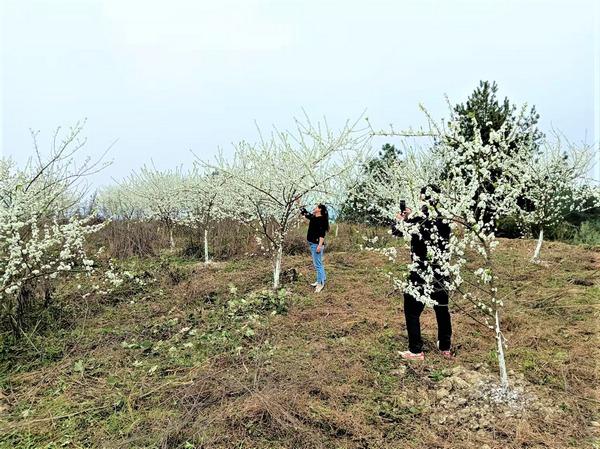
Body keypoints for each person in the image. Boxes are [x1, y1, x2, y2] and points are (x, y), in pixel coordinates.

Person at [393, 185, 452, 360]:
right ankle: (445, 347)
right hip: (442, 270)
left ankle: (416, 350)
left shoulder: (418, 219)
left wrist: (400, 219)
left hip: (421, 271)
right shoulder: (445, 218)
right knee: (442, 308)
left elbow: (396, 231)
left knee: (411, 310)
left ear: (424, 199)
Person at [297, 201, 330, 293]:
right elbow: (304, 212)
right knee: (319, 264)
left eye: (316, 207)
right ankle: (321, 279)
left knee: (318, 265)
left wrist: (319, 245)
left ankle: (320, 284)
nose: (314, 208)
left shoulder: (321, 220)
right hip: (313, 244)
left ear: (320, 209)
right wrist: (298, 201)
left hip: (316, 245)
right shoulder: (314, 217)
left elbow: (322, 235)